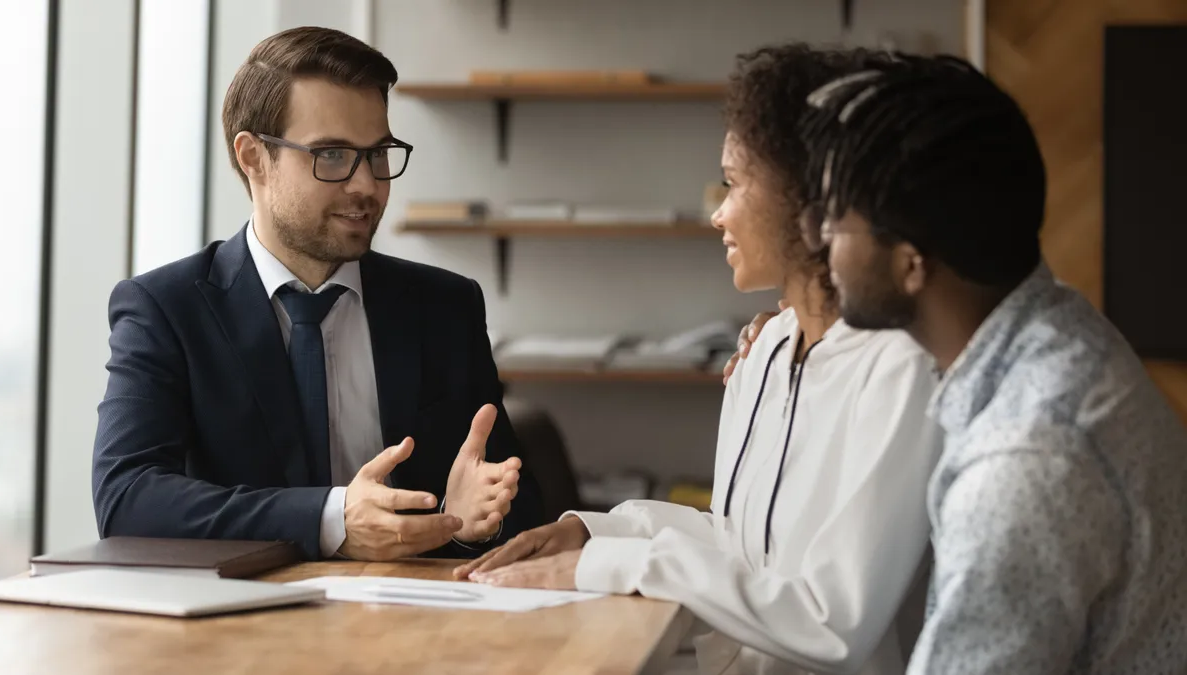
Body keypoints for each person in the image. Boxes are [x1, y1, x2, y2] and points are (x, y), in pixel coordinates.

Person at [453, 45, 944, 675]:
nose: (718, 212)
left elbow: (833, 621)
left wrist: (608, 564)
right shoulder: (765, 349)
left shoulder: (901, 367)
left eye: (735, 184)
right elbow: (739, 545)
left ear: (810, 199)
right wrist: (596, 533)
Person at [794, 55, 1187, 672]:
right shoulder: (1062, 329)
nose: (818, 243)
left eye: (834, 221)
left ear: (910, 262)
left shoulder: (1025, 465)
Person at [92, 26, 543, 562]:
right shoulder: (165, 309)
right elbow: (126, 498)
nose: (367, 186)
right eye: (332, 155)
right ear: (253, 158)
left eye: (379, 155)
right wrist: (332, 518)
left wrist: (468, 525)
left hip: (417, 621)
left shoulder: (446, 307)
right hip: (239, 628)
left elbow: (519, 508)